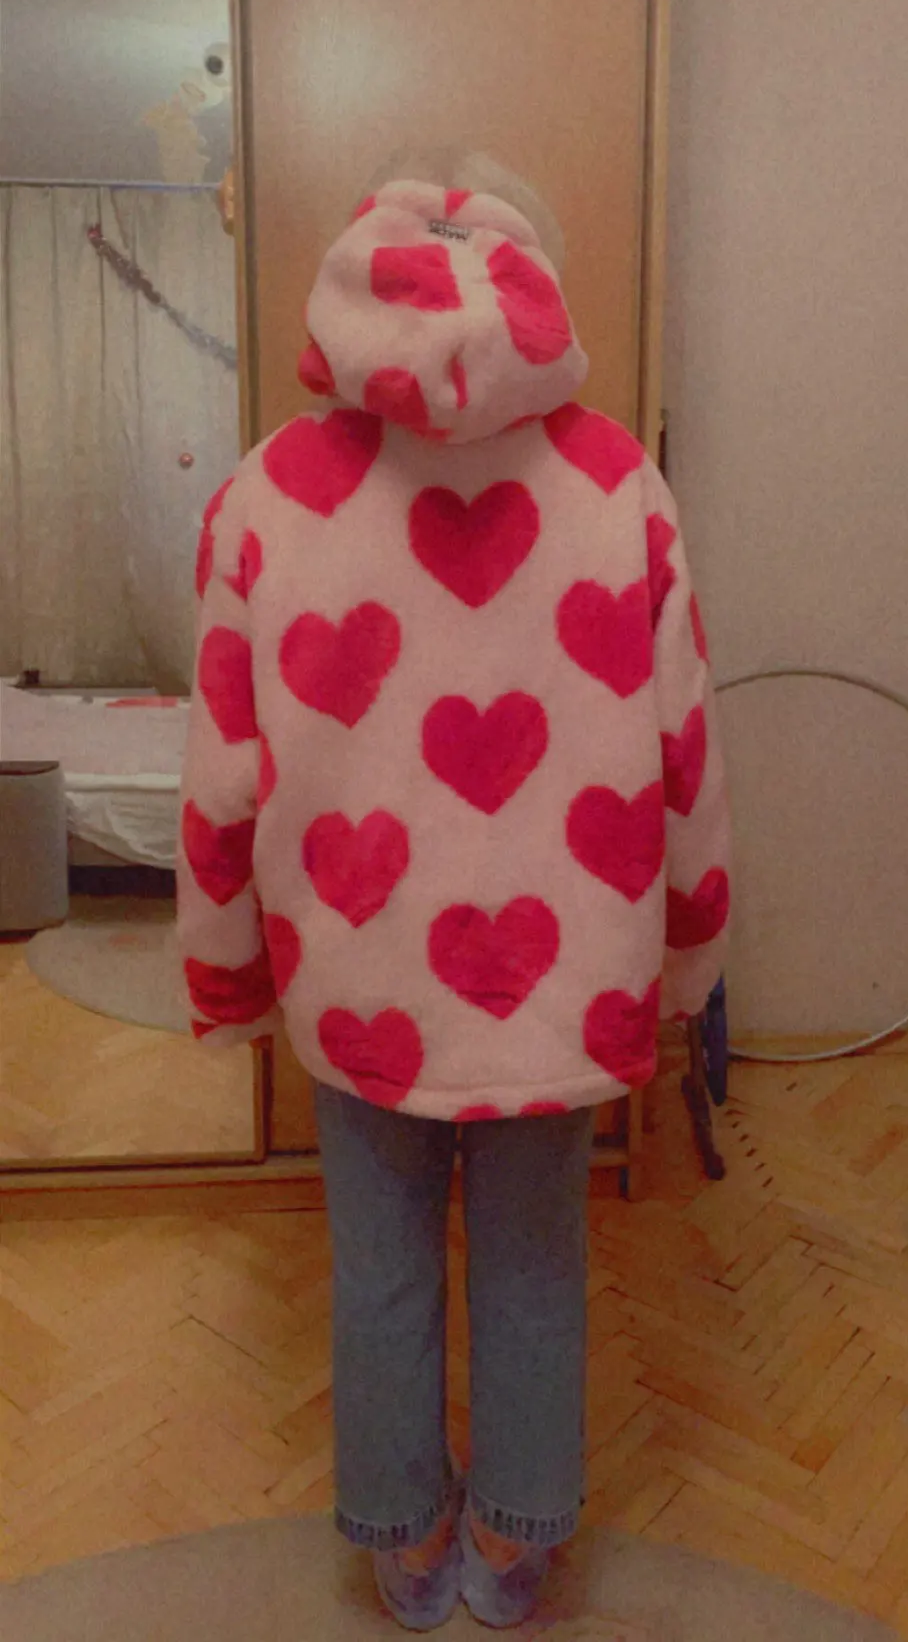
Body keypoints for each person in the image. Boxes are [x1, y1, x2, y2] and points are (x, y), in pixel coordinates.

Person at [177, 148, 730, 1630]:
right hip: (562, 980)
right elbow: (687, 751)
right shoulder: (619, 485)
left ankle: (406, 1539)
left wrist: (226, 968)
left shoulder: (266, 493)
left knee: (379, 1266)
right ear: (533, 278)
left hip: (358, 974)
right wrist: (689, 955)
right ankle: (517, 1536)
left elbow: (221, 770)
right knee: (539, 1261)